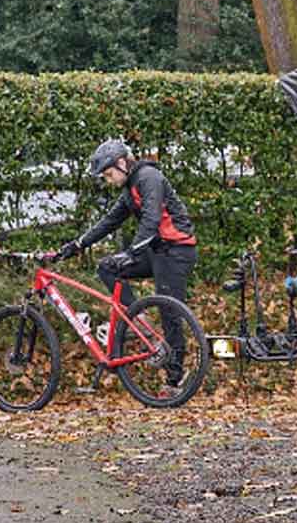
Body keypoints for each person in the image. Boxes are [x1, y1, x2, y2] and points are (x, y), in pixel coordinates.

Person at [51, 139, 198, 387]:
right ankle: (139, 321)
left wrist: (132, 252)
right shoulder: (130, 189)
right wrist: (77, 245)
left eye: (109, 174)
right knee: (107, 267)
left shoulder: (148, 177)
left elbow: (151, 218)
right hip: (157, 251)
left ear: (122, 163)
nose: (109, 180)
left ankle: (175, 379)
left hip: (177, 250)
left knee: (169, 311)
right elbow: (109, 221)